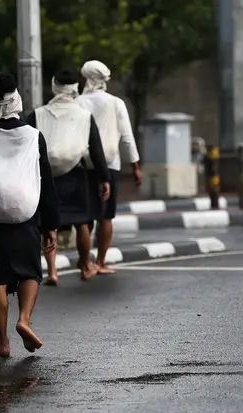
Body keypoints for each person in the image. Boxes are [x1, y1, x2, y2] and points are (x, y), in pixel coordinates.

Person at [0, 72, 60, 358]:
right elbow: (45, 181)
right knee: (29, 270)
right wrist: (50, 226)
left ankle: (3, 343)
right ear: (15, 97)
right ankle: (24, 320)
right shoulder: (32, 135)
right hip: (25, 213)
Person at [27, 69, 111, 285]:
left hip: (46, 177)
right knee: (82, 222)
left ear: (54, 86)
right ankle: (85, 266)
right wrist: (104, 178)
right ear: (75, 88)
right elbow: (96, 151)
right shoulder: (84, 116)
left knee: (48, 225)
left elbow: (25, 147)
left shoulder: (37, 114)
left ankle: (52, 271)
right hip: (75, 176)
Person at [76, 60, 144, 275]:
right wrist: (135, 166)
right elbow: (127, 137)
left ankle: (85, 262)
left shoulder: (78, 102)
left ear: (86, 77)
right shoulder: (116, 103)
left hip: (84, 164)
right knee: (106, 215)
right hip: (111, 164)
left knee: (86, 215)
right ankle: (101, 261)